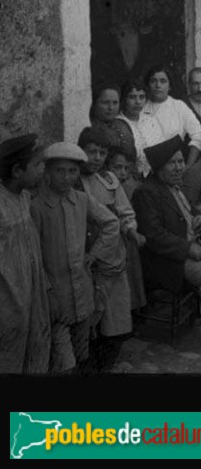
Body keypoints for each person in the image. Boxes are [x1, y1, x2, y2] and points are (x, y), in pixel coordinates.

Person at [132, 135, 201, 359]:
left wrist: (199, 219)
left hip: (190, 246)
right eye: (172, 163)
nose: (179, 167)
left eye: (181, 161)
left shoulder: (175, 187)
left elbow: (187, 212)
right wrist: (187, 249)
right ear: (159, 167)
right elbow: (153, 235)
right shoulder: (147, 192)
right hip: (166, 260)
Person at [30, 142, 121, 374]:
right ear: (47, 172)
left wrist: (94, 254)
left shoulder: (81, 199)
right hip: (55, 297)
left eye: (72, 171)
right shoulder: (37, 206)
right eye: (59, 171)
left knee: (82, 353)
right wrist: (47, 291)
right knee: (64, 361)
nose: (66, 177)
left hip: (82, 293)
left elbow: (111, 223)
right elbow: (33, 256)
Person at [76, 127, 134, 371]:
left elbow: (125, 211)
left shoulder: (109, 180)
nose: (97, 158)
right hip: (84, 254)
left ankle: (108, 359)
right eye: (92, 152)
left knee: (114, 311)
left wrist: (131, 229)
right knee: (91, 312)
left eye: (102, 153)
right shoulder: (73, 179)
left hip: (111, 254)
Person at [0, 134, 51, 374]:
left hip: (30, 292)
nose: (43, 170)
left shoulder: (24, 197)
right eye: (37, 164)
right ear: (17, 170)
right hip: (8, 299)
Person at [141, 64, 201, 168]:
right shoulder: (141, 108)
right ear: (148, 84)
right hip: (146, 168)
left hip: (174, 167)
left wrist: (188, 166)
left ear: (169, 86)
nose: (158, 85)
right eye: (153, 81)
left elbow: (198, 134)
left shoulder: (178, 106)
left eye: (163, 81)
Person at [118, 79, 163, 179]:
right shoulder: (118, 123)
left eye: (141, 97)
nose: (138, 102)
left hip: (153, 176)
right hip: (128, 177)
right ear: (124, 99)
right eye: (132, 97)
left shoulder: (151, 120)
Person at [89, 85, 137, 164]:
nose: (111, 107)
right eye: (105, 102)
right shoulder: (90, 129)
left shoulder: (123, 125)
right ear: (94, 103)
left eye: (115, 103)